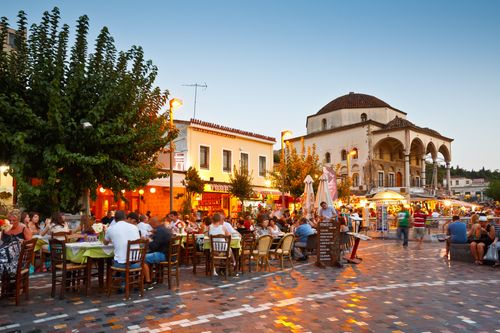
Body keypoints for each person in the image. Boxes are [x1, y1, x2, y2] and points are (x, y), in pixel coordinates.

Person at [143, 217, 172, 284]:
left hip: (163, 255)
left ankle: (147, 280)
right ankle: (153, 277)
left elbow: (154, 246)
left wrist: (148, 241)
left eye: (151, 225)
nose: (151, 227)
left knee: (142, 258)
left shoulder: (159, 231)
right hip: (168, 254)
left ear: (154, 223)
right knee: (148, 255)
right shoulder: (164, 229)